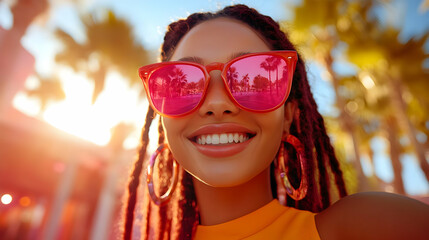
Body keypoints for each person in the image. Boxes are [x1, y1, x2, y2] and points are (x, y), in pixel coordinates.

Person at [122, 4, 429, 240]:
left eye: (253, 80)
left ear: (289, 116)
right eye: (181, 82)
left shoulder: (367, 227)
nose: (216, 104)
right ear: (162, 120)